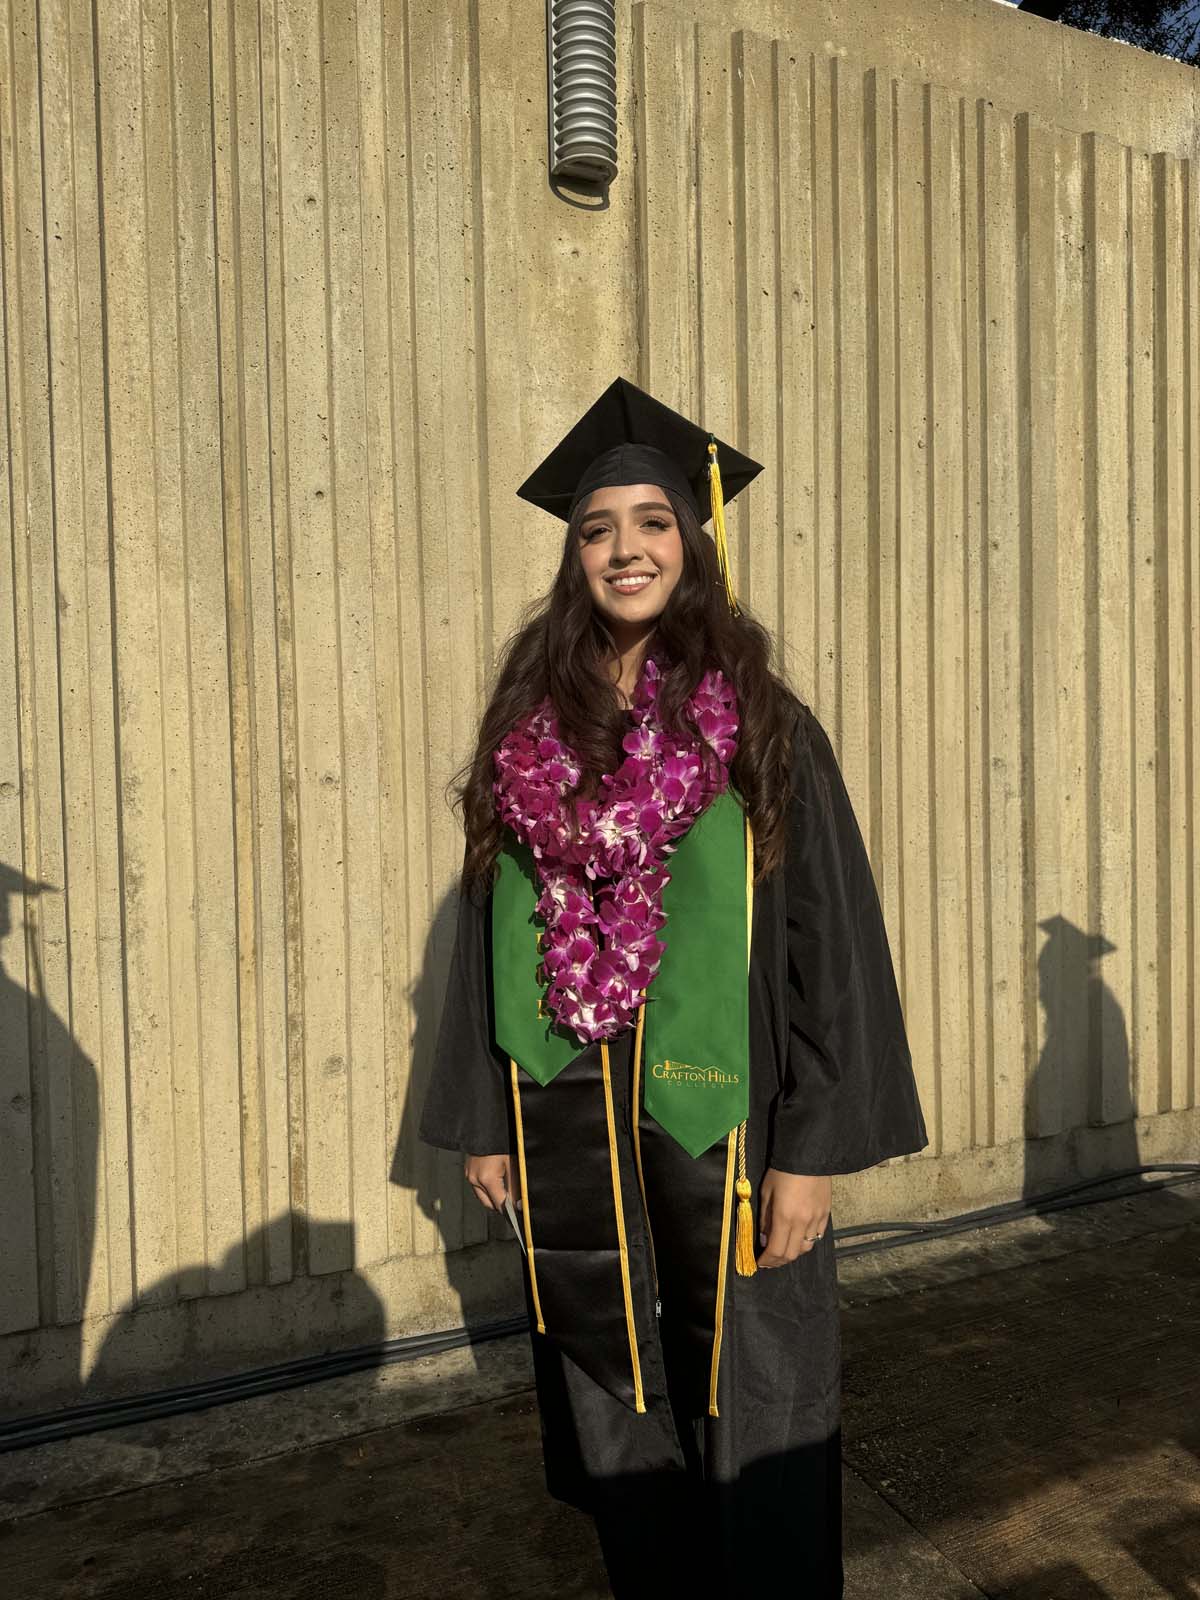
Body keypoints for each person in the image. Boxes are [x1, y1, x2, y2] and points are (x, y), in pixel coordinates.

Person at [418, 376, 928, 1597]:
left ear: (692, 544)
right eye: (597, 529)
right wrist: (486, 1117)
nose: (625, 549)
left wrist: (812, 1150)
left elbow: (829, 944)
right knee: (613, 1382)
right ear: (574, 559)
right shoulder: (531, 732)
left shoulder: (759, 726)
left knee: (759, 1392)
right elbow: (487, 925)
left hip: (731, 1124)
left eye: (652, 522)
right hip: (574, 1117)